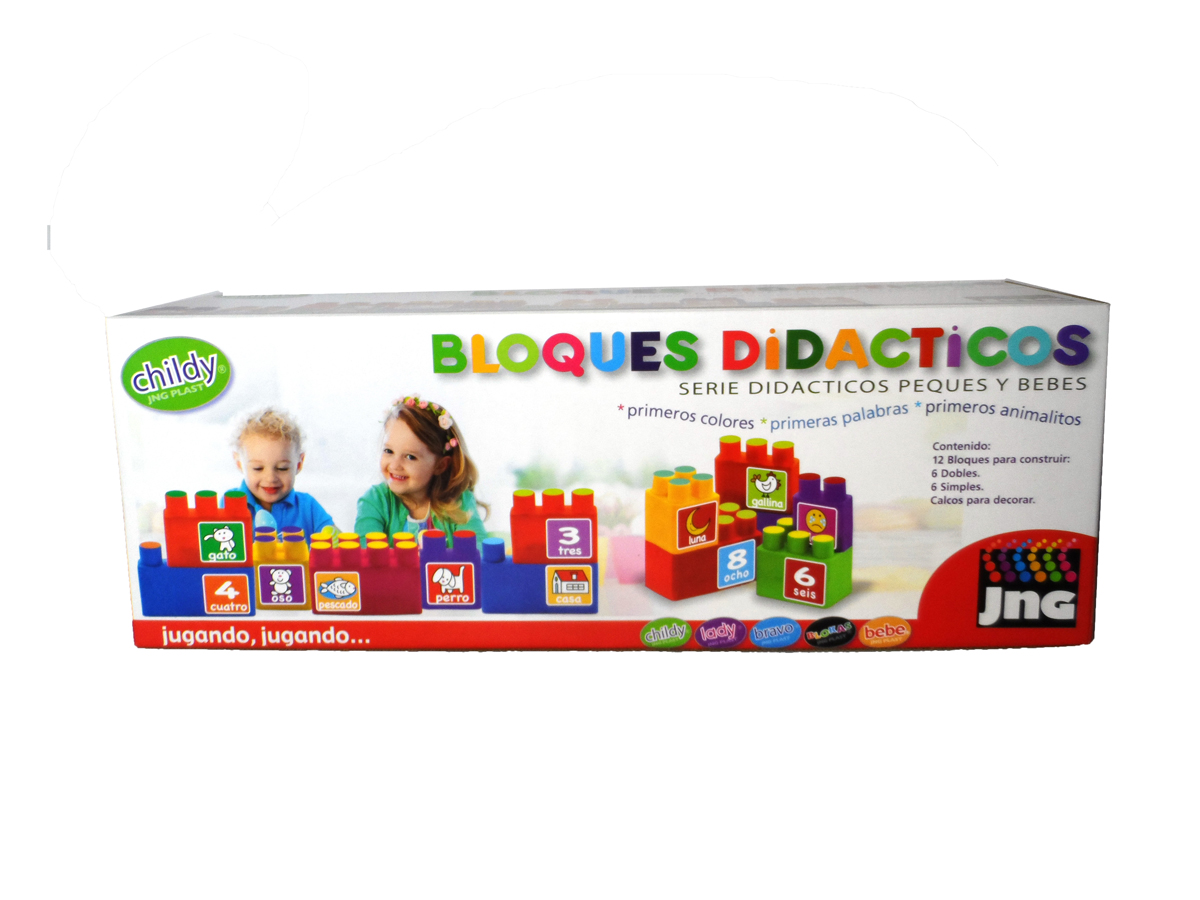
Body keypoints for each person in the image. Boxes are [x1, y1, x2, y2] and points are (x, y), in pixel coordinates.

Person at [355, 396, 487, 543]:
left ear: (440, 465)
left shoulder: (459, 501)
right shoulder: (374, 501)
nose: (394, 465)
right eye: (389, 451)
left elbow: (477, 550)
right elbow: (368, 552)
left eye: (410, 457)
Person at [231, 408, 336, 536]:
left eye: (282, 468)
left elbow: (338, 541)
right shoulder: (231, 504)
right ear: (239, 464)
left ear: (299, 463)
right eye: (258, 468)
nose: (270, 478)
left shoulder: (308, 507)